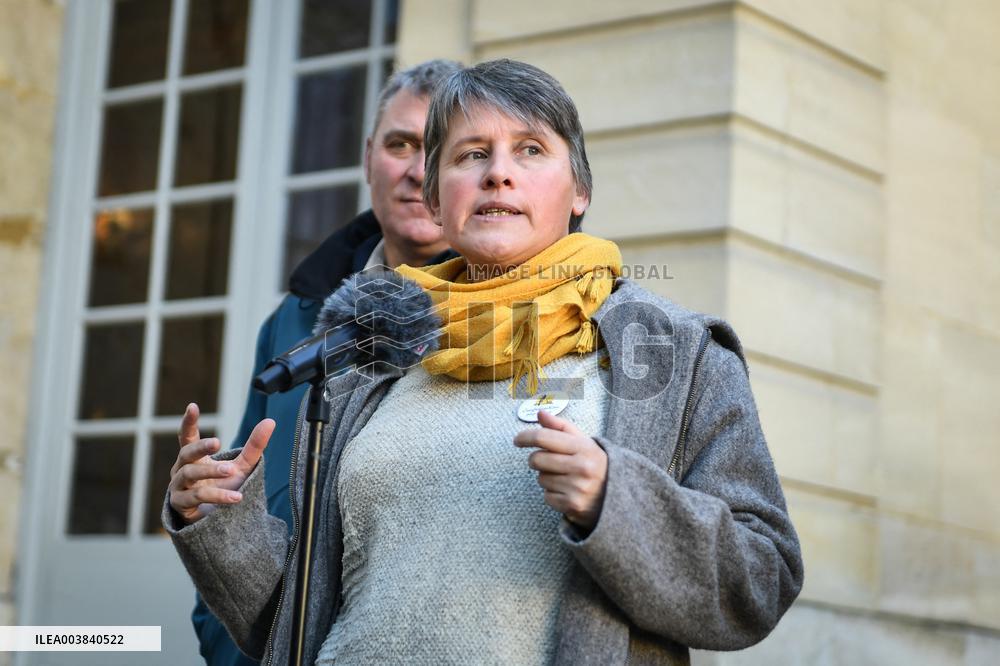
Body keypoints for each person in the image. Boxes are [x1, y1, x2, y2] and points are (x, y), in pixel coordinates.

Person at [166, 59, 803, 665]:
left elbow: (762, 577)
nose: (498, 174)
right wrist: (218, 522)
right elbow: (298, 623)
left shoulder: (674, 351)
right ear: (435, 200)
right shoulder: (372, 353)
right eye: (471, 155)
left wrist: (619, 500)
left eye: (531, 150)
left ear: (580, 190)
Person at [185, 58, 462, 666]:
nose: (418, 171)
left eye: (441, 149)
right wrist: (203, 506)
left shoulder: (518, 320)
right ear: (368, 158)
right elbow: (249, 491)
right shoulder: (294, 317)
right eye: (400, 144)